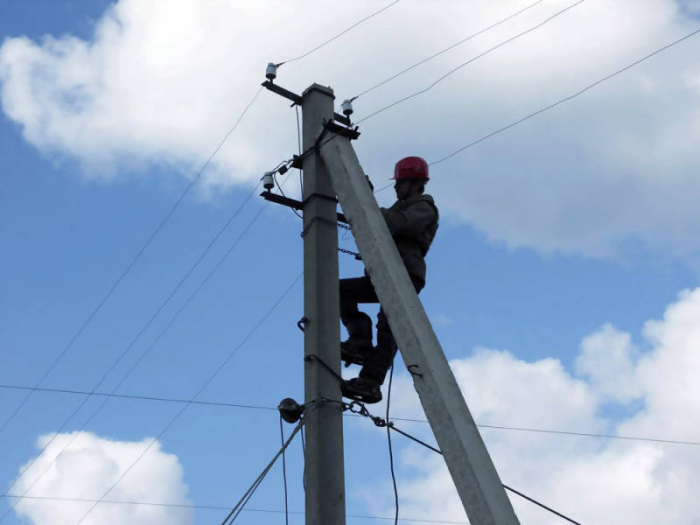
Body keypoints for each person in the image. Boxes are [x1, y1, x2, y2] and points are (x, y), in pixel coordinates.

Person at [339, 156, 439, 404]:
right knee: (340, 290)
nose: (395, 187)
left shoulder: (423, 208)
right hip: (385, 272)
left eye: (400, 183)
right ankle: (360, 341)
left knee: (388, 326)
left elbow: (397, 224)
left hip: (405, 273)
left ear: (415, 183)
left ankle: (370, 381)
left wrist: (365, 200)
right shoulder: (402, 207)